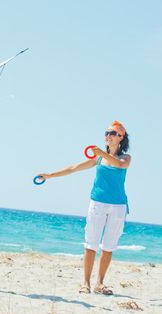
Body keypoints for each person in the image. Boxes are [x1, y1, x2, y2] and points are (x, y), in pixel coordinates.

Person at [38, 121, 131, 295]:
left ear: (121, 137)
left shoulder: (125, 158)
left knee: (109, 246)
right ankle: (85, 283)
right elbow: (73, 168)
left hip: (118, 206)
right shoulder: (98, 158)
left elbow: (118, 164)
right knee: (91, 243)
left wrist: (102, 153)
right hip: (98, 203)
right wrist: (49, 175)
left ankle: (100, 283)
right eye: (107, 132)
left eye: (113, 133)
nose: (108, 135)